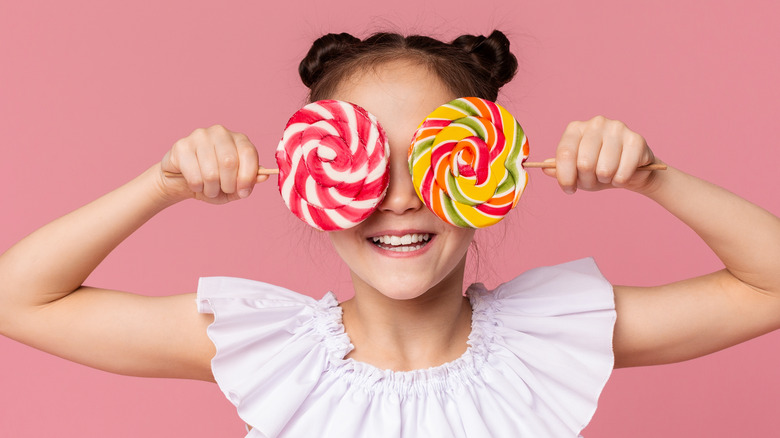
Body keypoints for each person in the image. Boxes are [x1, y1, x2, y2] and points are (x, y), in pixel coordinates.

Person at [1, 30, 779, 437]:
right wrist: (159, 186)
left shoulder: (552, 337)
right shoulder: (267, 348)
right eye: (365, 163)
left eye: (430, 160)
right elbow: (18, 300)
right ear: (308, 178)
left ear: (488, 170)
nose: (400, 198)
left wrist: (654, 177)